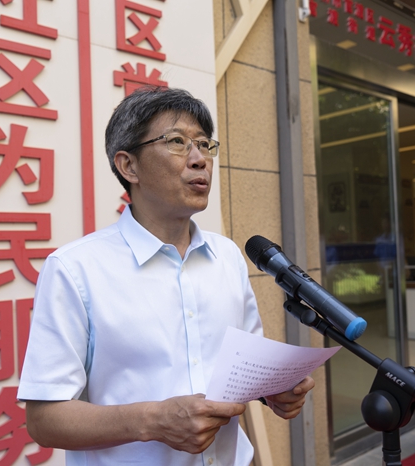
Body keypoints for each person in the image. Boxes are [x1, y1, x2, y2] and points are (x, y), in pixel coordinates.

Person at [17, 87, 315, 465]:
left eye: (204, 145)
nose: (199, 160)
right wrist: (153, 420)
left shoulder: (227, 255)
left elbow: (245, 367)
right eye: (177, 142)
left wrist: (273, 389)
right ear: (129, 166)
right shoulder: (75, 268)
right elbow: (43, 420)